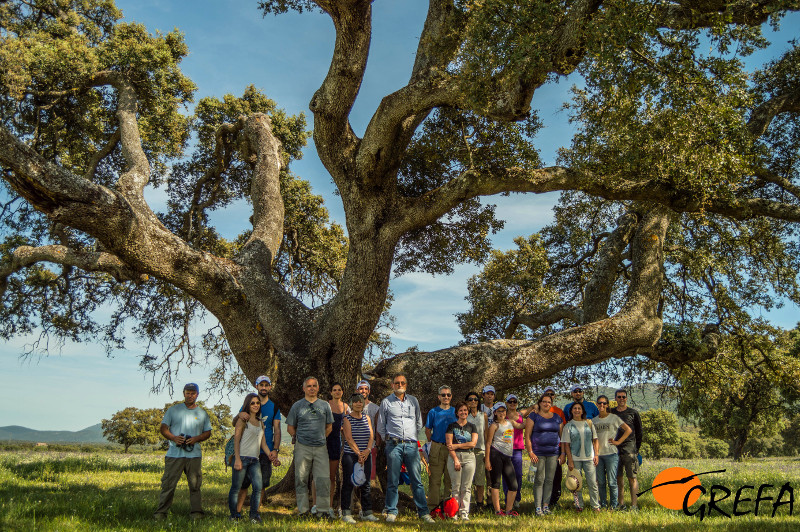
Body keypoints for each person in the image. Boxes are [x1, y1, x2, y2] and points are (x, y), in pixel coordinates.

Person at [376, 373, 435, 523]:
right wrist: (388, 439)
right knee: (393, 480)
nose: (400, 385)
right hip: (394, 445)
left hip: (411, 445)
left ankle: (423, 512)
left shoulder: (413, 401)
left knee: (416, 480)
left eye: (402, 383)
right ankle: (391, 511)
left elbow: (418, 422)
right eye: (397, 383)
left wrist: (412, 438)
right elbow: (381, 426)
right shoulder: (386, 402)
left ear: (406, 385)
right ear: (392, 385)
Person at [153, 383, 212, 520]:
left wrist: (196, 439)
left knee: (195, 485)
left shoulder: (202, 413)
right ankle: (161, 513)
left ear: (197, 394)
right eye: (187, 393)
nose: (190, 395)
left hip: (194, 454)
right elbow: (163, 428)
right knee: (168, 485)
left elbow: (208, 433)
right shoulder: (173, 410)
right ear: (183, 393)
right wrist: (174, 438)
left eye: (193, 393)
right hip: (174, 454)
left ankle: (196, 513)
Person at [232, 375, 281, 516]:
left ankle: (256, 512)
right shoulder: (250, 403)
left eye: (267, 385)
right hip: (247, 451)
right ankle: (237, 512)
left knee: (262, 483)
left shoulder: (274, 407)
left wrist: (275, 450)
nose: (264, 388)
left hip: (265, 451)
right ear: (257, 386)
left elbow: (277, 430)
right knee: (243, 485)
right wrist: (239, 414)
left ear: (270, 387)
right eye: (261, 385)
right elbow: (235, 424)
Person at [286, 376, 334, 518]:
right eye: (309, 386)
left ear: (318, 388)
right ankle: (303, 510)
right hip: (302, 447)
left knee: (323, 479)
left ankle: (323, 510)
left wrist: (320, 437)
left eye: (314, 386)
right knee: (301, 478)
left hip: (320, 447)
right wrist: (298, 438)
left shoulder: (325, 405)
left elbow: (329, 426)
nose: (312, 388)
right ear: (304, 389)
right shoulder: (297, 406)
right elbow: (290, 427)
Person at [229, 393, 275, 523]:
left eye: (257, 403)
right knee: (236, 488)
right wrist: (237, 459)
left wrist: (271, 455)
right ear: (248, 405)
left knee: (258, 487)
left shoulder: (261, 423)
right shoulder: (242, 420)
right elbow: (236, 441)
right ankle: (234, 516)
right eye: (252, 403)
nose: (255, 405)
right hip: (242, 458)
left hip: (255, 460)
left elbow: (263, 444)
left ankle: (254, 516)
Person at [340, 394, 378, 523]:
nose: (358, 404)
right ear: (351, 404)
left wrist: (367, 451)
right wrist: (359, 454)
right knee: (348, 483)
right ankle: (346, 512)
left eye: (360, 402)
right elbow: (349, 438)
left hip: (366, 455)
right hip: (351, 455)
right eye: (355, 402)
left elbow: (371, 436)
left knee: (366, 484)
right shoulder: (347, 419)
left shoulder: (367, 418)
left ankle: (367, 512)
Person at [312, 382, 349, 516]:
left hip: (335, 443)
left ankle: (329, 506)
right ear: (331, 392)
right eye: (334, 390)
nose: (337, 392)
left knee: (331, 477)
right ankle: (315, 505)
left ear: (342, 392)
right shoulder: (325, 405)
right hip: (323, 441)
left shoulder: (345, 407)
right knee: (318, 475)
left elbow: (348, 425)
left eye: (339, 390)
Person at [525, 393, 564, 516]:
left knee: (549, 480)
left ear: (551, 404)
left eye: (549, 402)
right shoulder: (533, 416)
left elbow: (562, 437)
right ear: (540, 403)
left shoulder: (557, 418)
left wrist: (562, 453)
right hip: (538, 453)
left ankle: (546, 506)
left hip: (553, 453)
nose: (546, 404)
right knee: (539, 480)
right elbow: (527, 436)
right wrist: (530, 452)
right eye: (544, 401)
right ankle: (538, 508)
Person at [593, 394, 632, 509]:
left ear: (607, 405)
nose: (602, 405)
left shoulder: (613, 418)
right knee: (600, 482)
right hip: (598, 455)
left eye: (604, 403)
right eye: (599, 403)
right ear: (597, 404)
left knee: (612, 482)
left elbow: (628, 430)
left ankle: (614, 505)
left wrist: (618, 442)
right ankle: (603, 504)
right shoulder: (593, 421)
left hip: (611, 454)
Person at [563, 402, 600, 512]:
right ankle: (579, 506)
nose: (577, 410)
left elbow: (595, 440)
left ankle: (595, 506)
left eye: (579, 408)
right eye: (575, 408)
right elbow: (566, 445)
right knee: (576, 485)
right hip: (575, 459)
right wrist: (570, 460)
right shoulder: (568, 426)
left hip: (589, 458)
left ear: (583, 411)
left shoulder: (589, 423)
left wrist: (596, 454)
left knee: (592, 483)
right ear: (571, 411)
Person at [610, 388, 643, 511]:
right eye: (619, 397)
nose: (621, 399)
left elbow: (639, 433)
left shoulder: (633, 413)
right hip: (614, 450)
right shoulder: (612, 413)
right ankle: (621, 504)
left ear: (626, 398)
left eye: (623, 397)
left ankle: (634, 506)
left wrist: (636, 449)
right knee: (618, 478)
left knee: (632, 478)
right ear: (615, 399)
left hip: (630, 450)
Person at [445, 401, 479, 520]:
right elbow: (449, 446)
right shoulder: (451, 426)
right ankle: (454, 512)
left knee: (466, 487)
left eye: (465, 410)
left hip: (469, 458)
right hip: (455, 457)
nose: (463, 412)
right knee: (456, 487)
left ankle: (464, 512)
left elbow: (473, 443)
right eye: (461, 410)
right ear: (457, 413)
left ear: (468, 412)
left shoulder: (472, 426)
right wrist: (455, 459)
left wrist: (457, 445)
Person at [425, 384, 457, 509]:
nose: (446, 397)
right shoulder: (433, 412)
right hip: (437, 447)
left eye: (448, 395)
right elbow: (428, 430)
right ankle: (433, 507)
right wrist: (432, 443)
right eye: (443, 395)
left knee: (450, 479)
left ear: (451, 396)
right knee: (435, 479)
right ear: (439, 397)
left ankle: (448, 507)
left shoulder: (455, 411)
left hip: (451, 448)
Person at [485, 403, 519, 517]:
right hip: (496, 454)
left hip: (507, 456)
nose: (501, 413)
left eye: (503, 411)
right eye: (499, 411)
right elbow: (488, 443)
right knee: (496, 483)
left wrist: (533, 412)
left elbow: (523, 425)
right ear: (495, 413)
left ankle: (508, 511)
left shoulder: (510, 423)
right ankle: (498, 511)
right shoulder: (494, 425)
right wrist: (487, 460)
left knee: (513, 486)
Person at [465, 392, 488, 511]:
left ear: (478, 402)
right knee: (468, 479)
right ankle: (467, 504)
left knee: (479, 479)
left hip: (480, 450)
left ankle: (480, 503)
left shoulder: (483, 415)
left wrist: (487, 452)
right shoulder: (464, 416)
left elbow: (486, 433)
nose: (473, 402)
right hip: (467, 450)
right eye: (470, 400)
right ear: (467, 402)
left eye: (475, 399)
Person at [543, 386, 566, 509]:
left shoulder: (559, 411)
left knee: (556, 476)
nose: (550, 396)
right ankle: (542, 500)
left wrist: (563, 452)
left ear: (554, 397)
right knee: (542, 476)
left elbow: (563, 433)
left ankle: (554, 500)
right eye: (547, 394)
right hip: (541, 450)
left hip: (556, 449)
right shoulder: (537, 411)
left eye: (552, 394)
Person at [502, 394, 526, 510]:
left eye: (514, 402)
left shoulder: (520, 414)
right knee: (506, 475)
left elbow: (531, 409)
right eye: (510, 402)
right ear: (506, 403)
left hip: (517, 449)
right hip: (505, 449)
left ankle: (516, 498)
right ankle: (507, 500)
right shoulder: (502, 415)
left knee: (518, 475)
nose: (512, 403)